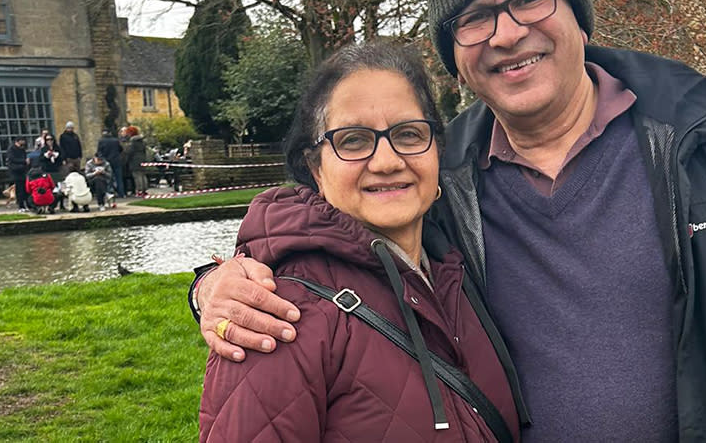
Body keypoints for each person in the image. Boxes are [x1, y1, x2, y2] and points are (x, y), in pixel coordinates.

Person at [190, 0, 706, 441]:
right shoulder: (440, 179)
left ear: (577, 16)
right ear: (455, 55)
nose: (507, 33)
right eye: (475, 17)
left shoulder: (705, 138)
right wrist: (215, 282)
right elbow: (329, 234)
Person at [198, 41, 523, 442]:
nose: (387, 161)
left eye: (408, 134)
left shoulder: (459, 266)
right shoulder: (275, 314)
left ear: (437, 149)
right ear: (315, 167)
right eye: (352, 140)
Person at [96, 130, 125, 198]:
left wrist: (101, 158)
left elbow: (99, 151)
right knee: (119, 177)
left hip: (107, 161)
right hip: (116, 160)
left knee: (108, 177)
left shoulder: (101, 141)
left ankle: (110, 192)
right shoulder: (115, 140)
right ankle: (121, 193)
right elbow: (121, 149)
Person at [5, 137, 29, 212]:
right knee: (19, 189)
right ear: (17, 141)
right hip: (16, 172)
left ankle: (27, 205)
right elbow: (12, 159)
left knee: (25, 189)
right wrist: (24, 161)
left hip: (23, 171)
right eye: (22, 141)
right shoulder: (11, 149)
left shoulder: (22, 149)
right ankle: (21, 205)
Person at [125, 126, 149, 196]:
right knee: (143, 174)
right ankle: (144, 189)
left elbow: (130, 152)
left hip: (135, 160)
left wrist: (127, 159)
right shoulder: (142, 141)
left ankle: (139, 190)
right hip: (142, 159)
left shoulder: (133, 142)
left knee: (137, 175)